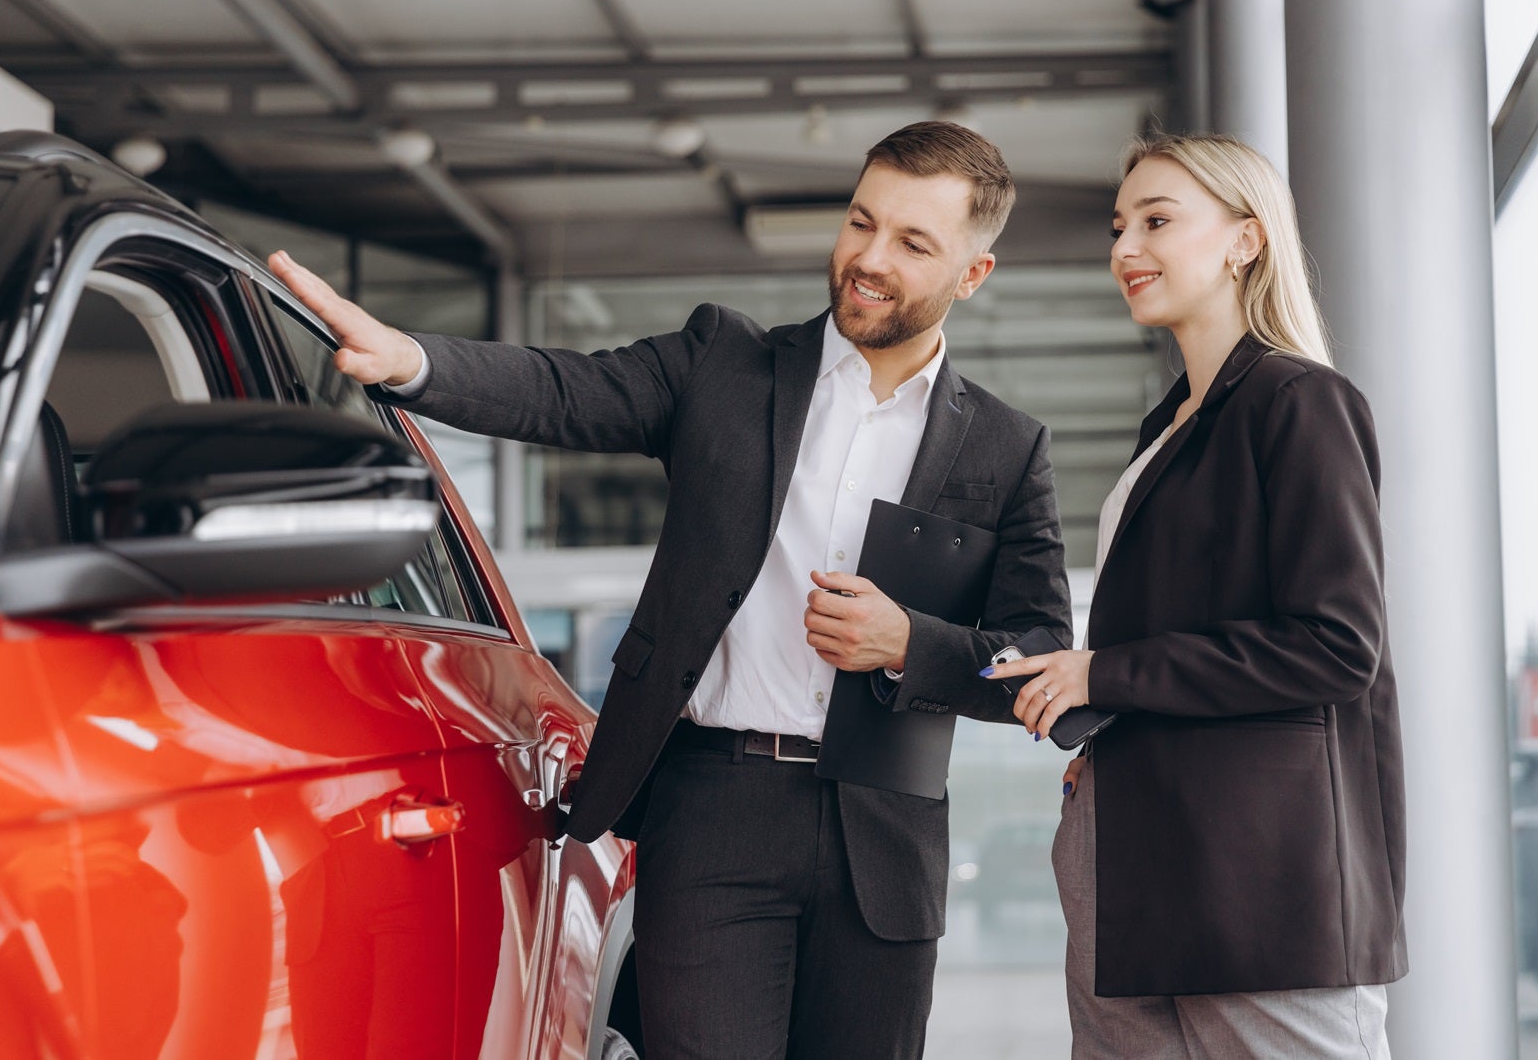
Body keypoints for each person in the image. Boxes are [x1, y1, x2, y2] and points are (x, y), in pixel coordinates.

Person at [268, 120, 1072, 1060]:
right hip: (716, 808)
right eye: (862, 222)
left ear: (973, 274)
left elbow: (1037, 656)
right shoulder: (723, 363)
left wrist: (908, 644)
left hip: (883, 843)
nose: (869, 258)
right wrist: (412, 360)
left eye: (913, 243)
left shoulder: (1006, 447)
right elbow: (563, 390)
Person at [985, 133, 1405, 1059]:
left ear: (1245, 240)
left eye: (1157, 221)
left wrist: (1106, 675)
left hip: (1260, 882)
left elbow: (1337, 644)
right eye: (1118, 227)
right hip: (1136, 856)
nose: (1125, 247)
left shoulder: (1301, 401)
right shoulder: (1170, 426)